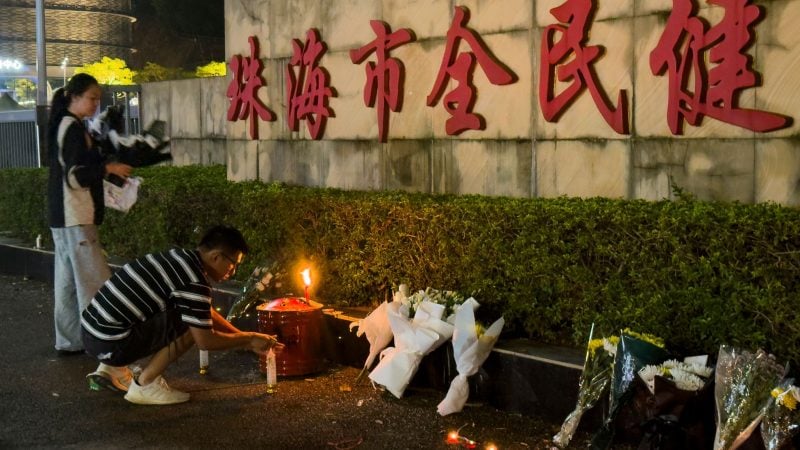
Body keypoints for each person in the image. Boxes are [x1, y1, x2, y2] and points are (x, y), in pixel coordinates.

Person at [80, 225, 284, 405]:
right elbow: (205, 341)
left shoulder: (181, 259)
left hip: (93, 333)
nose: (233, 272)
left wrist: (244, 338)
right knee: (190, 325)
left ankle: (111, 368)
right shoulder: (194, 280)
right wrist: (249, 339)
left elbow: (205, 312)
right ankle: (145, 384)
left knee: (191, 315)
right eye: (233, 265)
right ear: (216, 256)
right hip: (111, 343)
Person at [47, 73, 132, 354]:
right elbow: (75, 176)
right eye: (92, 98)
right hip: (76, 216)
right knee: (94, 282)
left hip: (63, 216)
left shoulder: (66, 124)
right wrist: (108, 169)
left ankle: (69, 341)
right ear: (74, 96)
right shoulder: (72, 128)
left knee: (69, 283)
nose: (96, 104)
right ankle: (104, 345)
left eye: (98, 98)